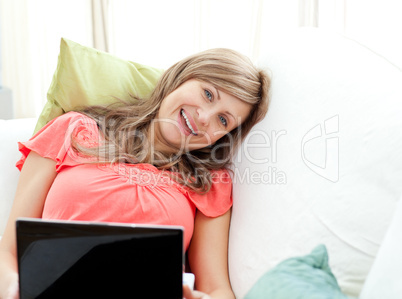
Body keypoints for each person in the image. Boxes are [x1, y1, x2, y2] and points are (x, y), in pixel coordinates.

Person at [0, 48, 270, 299]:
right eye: (208, 94)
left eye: (223, 120)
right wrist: (14, 289)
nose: (204, 118)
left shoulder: (208, 184)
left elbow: (216, 287)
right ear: (181, 77)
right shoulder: (73, 129)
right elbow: (8, 252)